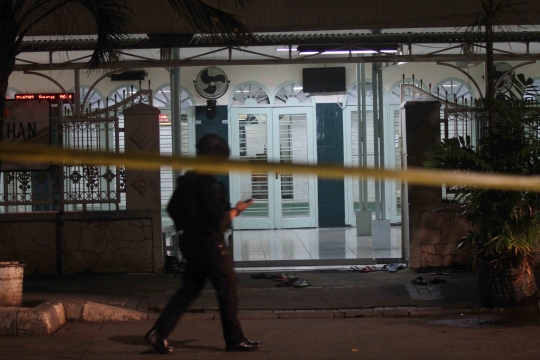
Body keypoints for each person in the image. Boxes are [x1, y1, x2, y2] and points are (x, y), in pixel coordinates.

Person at [145, 134, 261, 354]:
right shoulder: (211, 185)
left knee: (188, 291)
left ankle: (159, 333)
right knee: (228, 291)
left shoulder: (186, 181)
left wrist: (189, 226)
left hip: (190, 244)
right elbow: (219, 221)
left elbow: (172, 209)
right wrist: (236, 210)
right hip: (211, 246)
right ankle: (234, 339)